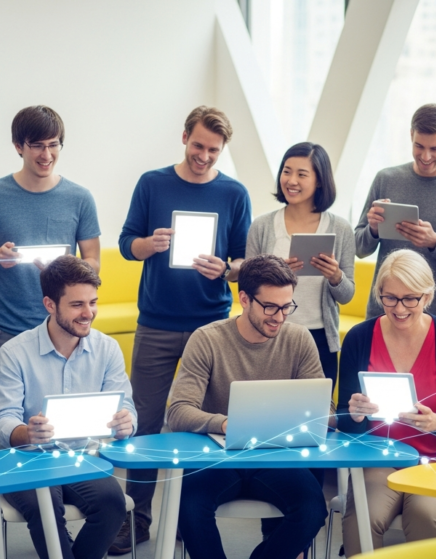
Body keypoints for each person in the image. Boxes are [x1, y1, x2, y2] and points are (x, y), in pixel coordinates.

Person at [0, 106, 101, 557]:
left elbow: (94, 266)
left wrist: (64, 271)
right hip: (4, 329)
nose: (46, 154)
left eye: (54, 145)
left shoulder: (79, 197)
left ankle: (60, 497)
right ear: (19, 146)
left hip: (60, 332)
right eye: (37, 145)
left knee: (51, 427)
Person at [114, 105, 252, 553]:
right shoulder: (153, 183)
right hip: (156, 322)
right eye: (198, 146)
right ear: (183, 138)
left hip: (211, 326)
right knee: (145, 423)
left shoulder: (234, 193)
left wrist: (226, 269)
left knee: (203, 423)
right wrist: (147, 244)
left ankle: (190, 516)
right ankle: (136, 517)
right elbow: (125, 244)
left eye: (213, 150)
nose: (204, 156)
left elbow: (243, 264)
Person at [167, 254, 332, 559]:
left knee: (312, 509)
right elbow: (178, 411)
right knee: (188, 506)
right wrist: (225, 423)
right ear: (244, 299)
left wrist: (336, 414)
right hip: (217, 458)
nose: (280, 317)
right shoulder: (207, 340)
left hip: (277, 459)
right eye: (270, 307)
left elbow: (324, 411)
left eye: (286, 307)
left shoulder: (299, 339)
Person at [0, 255, 136, 559]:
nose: (88, 313)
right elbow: (3, 419)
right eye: (77, 305)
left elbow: (127, 408)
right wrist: (26, 433)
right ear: (50, 304)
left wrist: (127, 423)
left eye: (93, 302)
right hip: (28, 460)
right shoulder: (14, 353)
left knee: (113, 505)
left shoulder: (107, 349)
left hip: (82, 457)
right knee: (45, 506)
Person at [337, 249, 436, 554]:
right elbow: (343, 420)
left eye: (410, 299)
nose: (399, 308)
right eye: (390, 298)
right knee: (363, 518)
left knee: (425, 516)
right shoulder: (359, 338)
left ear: (427, 297)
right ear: (379, 295)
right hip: (377, 459)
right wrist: (356, 415)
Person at [354, 103, 436, 325]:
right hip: (383, 314)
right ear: (411, 135)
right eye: (419, 146)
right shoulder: (385, 179)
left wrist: (434, 242)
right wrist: (374, 229)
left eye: (435, 149)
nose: (425, 156)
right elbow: (359, 248)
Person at [245, 141, 355, 388]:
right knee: (266, 413)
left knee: (315, 418)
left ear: (319, 181)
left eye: (301, 174)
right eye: (287, 171)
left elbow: (347, 295)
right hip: (269, 334)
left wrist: (335, 276)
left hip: (319, 339)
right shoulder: (261, 226)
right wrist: (271, 272)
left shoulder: (341, 229)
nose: (291, 180)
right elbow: (246, 286)